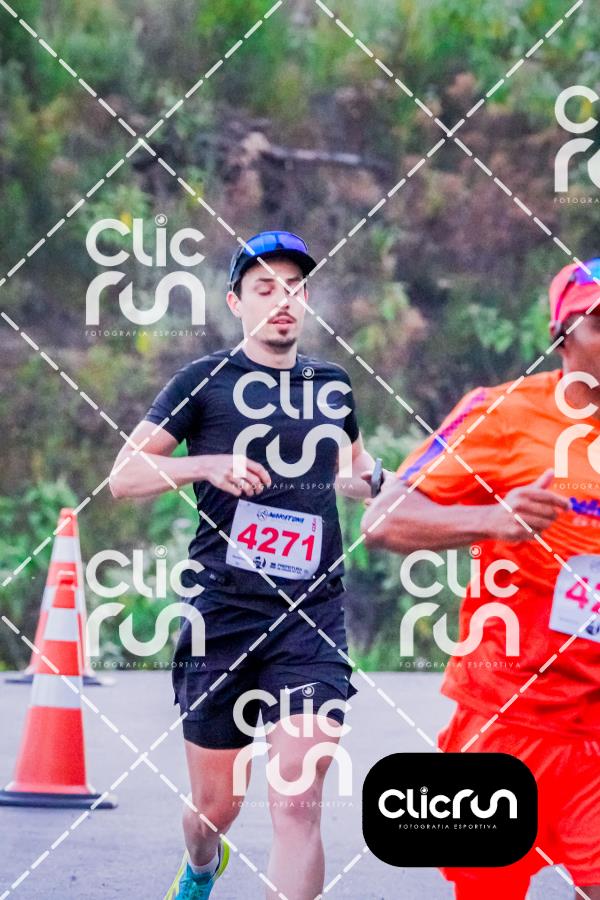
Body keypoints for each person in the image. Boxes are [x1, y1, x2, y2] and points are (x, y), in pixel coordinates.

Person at [110, 231, 380, 900]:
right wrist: (205, 465)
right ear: (236, 301)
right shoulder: (202, 382)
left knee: (297, 799)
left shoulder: (331, 385)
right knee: (215, 810)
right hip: (222, 617)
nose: (281, 301)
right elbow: (124, 477)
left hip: (309, 618)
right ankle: (203, 865)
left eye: (293, 288)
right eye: (265, 288)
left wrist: (386, 482)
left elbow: (350, 471)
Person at [362, 259, 600, 900]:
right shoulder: (502, 413)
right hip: (507, 723)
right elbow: (383, 519)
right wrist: (493, 519)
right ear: (562, 336)